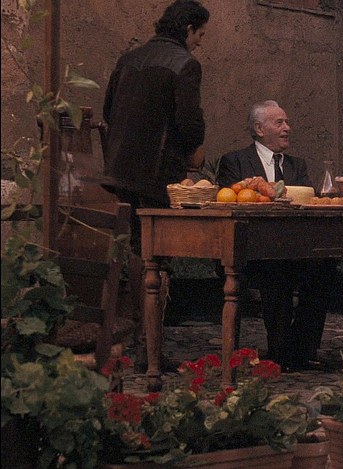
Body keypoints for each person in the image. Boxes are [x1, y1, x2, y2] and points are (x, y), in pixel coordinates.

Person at [101, 0, 210, 371]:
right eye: (200, 35)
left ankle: (141, 342)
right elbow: (190, 125)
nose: (199, 43)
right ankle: (150, 348)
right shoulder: (185, 63)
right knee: (157, 256)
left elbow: (108, 111)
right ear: (188, 29)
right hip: (160, 174)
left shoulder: (128, 59)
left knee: (137, 250)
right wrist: (192, 149)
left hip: (121, 172)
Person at [216, 100, 333, 371]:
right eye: (279, 122)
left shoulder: (297, 166)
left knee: (324, 267)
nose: (287, 128)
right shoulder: (235, 162)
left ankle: (302, 348)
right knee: (275, 269)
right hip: (250, 251)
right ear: (259, 129)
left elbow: (306, 202)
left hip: (292, 248)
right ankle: (280, 351)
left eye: (287, 122)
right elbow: (229, 200)